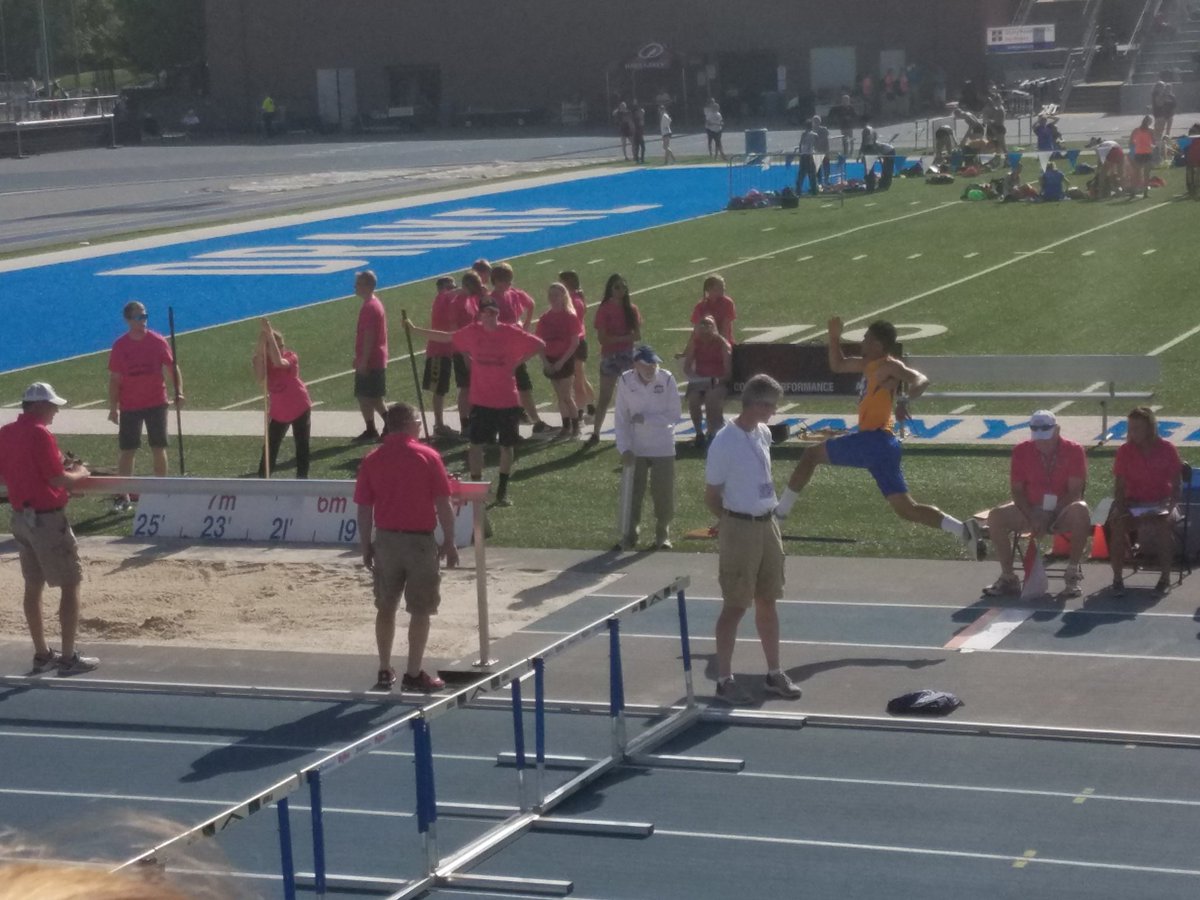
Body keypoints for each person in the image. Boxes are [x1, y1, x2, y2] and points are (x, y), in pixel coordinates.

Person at [775, 318, 982, 551]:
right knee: (907, 510)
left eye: (866, 339)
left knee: (811, 455)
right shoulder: (868, 365)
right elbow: (838, 365)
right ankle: (963, 530)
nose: (861, 342)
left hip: (873, 440)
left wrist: (906, 398)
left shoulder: (888, 366)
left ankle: (779, 516)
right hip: (884, 445)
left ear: (877, 345)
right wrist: (833, 337)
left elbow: (921, 379)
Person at [705, 374, 802, 705]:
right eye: (771, 406)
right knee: (735, 605)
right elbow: (712, 495)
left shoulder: (762, 433)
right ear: (756, 404)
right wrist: (731, 523)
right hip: (740, 527)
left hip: (767, 524)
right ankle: (724, 679)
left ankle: (774, 672)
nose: (774, 412)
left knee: (768, 599)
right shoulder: (724, 441)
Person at [354, 402, 458, 692]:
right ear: (409, 423)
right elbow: (443, 502)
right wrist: (449, 540)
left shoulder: (373, 459)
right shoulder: (428, 456)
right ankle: (413, 672)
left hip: (386, 540)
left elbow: (364, 507)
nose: (421, 427)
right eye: (418, 422)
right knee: (420, 609)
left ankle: (385, 669)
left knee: (385, 606)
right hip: (419, 541)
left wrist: (365, 544)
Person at [405, 297, 545, 506]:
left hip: (506, 399)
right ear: (479, 314)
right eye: (487, 312)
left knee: (506, 446)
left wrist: (517, 362)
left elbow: (539, 344)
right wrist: (415, 330)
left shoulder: (509, 332)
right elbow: (447, 338)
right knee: (476, 444)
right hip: (481, 400)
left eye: (494, 313)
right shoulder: (472, 332)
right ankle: (476, 488)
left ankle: (502, 491)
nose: (491, 316)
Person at [0, 383, 96, 675]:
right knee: (70, 584)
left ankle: (42, 653)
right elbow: (57, 479)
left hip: (21, 518)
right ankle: (68, 657)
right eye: (53, 406)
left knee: (33, 585)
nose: (56, 411)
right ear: (40, 406)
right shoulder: (40, 433)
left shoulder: (6, 432)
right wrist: (80, 473)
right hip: (47, 520)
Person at [983, 410, 1090, 598]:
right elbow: (1017, 490)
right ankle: (1008, 577)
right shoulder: (1021, 451)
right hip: (1031, 510)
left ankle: (1072, 572)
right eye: (1038, 438)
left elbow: (1074, 492)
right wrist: (1032, 515)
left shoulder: (1074, 450)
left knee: (1081, 510)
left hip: (1061, 510)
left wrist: (1049, 513)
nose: (1042, 443)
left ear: (1057, 430)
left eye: (1046, 438)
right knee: (996, 516)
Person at [107, 300, 184, 512]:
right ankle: (123, 495)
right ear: (128, 320)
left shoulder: (157, 341)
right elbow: (115, 379)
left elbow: (171, 367)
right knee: (127, 450)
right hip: (130, 404)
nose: (143, 321)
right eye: (139, 317)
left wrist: (178, 391)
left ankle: (161, 490)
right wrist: (113, 407)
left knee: (158, 447)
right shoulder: (120, 346)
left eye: (145, 316)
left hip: (156, 402)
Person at [1109, 407, 1182, 594]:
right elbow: (1119, 486)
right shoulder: (1124, 451)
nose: (1132, 433)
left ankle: (1164, 577)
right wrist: (1121, 507)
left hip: (1162, 502)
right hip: (1133, 503)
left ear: (1150, 428)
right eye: (1130, 428)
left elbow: (1176, 484)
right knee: (1116, 524)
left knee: (1164, 525)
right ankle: (1117, 578)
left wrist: (1170, 506)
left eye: (1137, 428)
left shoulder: (1167, 449)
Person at [613, 345, 679, 551]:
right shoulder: (625, 380)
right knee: (633, 492)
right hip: (636, 446)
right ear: (636, 365)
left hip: (662, 444)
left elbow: (674, 415)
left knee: (663, 492)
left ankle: (662, 534)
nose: (652, 368)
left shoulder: (666, 379)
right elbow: (621, 418)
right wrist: (624, 449)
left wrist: (648, 419)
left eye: (654, 363)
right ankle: (629, 535)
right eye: (647, 364)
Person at [490, 262, 551, 434]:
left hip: (514, 347)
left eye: (509, 280)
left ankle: (535, 420)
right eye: (504, 280)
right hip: (502, 350)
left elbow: (530, 304)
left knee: (524, 385)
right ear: (496, 281)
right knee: (507, 387)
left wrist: (525, 324)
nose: (508, 283)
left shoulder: (513, 293)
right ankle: (508, 423)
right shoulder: (491, 299)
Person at [253, 318, 312, 478]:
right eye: (273, 346)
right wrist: (263, 338)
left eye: (280, 346)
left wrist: (270, 333)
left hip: (299, 406)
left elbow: (279, 362)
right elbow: (260, 376)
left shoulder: (291, 357)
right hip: (279, 412)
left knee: (301, 445)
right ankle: (263, 479)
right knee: (270, 447)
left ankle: (302, 479)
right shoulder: (263, 362)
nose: (277, 349)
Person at [588, 274, 642, 445]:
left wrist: (618, 338)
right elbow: (603, 339)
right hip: (611, 356)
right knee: (605, 396)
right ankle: (596, 432)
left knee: (631, 395)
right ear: (610, 289)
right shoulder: (604, 309)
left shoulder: (631, 309)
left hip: (626, 355)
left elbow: (637, 334)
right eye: (617, 287)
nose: (621, 291)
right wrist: (624, 338)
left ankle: (633, 430)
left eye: (623, 287)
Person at [423, 276, 467, 439]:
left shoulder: (446, 300)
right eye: (451, 286)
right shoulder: (442, 298)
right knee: (439, 389)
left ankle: (439, 424)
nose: (454, 289)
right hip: (438, 350)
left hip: (446, 349)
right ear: (443, 288)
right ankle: (439, 424)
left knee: (442, 388)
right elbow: (454, 294)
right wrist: (471, 288)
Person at [535, 282, 581, 439]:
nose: (553, 298)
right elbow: (539, 343)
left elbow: (575, 342)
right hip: (550, 359)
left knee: (566, 395)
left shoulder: (570, 317)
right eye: (551, 295)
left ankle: (575, 426)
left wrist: (561, 361)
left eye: (556, 295)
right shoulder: (544, 318)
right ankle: (566, 426)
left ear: (563, 296)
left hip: (565, 359)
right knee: (559, 396)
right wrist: (546, 362)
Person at [681, 315, 732, 450]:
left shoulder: (722, 344)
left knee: (711, 397)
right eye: (701, 329)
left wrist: (716, 379)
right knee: (693, 399)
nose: (704, 334)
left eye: (708, 329)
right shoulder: (695, 343)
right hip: (700, 380)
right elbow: (687, 367)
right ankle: (699, 433)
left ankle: (712, 431)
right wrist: (694, 377)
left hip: (719, 381)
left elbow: (728, 372)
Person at [352, 269, 388, 443]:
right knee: (364, 395)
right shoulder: (371, 304)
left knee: (372, 397)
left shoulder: (370, 307)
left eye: (358, 283)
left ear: (367, 285)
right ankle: (371, 428)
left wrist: (364, 360)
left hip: (372, 359)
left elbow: (369, 335)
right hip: (369, 357)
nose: (355, 286)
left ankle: (389, 424)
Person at [559, 269, 596, 429]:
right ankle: (592, 406)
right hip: (577, 341)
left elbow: (570, 324)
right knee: (581, 377)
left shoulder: (574, 301)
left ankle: (580, 411)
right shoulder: (576, 298)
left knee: (577, 381)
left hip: (576, 342)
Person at [691, 274, 737, 344]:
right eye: (720, 287)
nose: (724, 289)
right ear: (709, 289)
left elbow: (725, 330)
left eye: (723, 286)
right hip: (705, 344)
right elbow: (696, 331)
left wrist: (721, 346)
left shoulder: (727, 303)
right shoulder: (700, 306)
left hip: (724, 343)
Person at [1131, 115, 1157, 198]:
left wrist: (1137, 145)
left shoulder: (1136, 130)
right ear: (1149, 122)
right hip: (1147, 153)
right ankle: (1145, 193)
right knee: (1146, 174)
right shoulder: (1151, 130)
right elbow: (1154, 142)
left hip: (1138, 153)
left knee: (1136, 174)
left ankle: (1133, 192)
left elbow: (1131, 141)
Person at [796, 119, 819, 196]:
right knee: (812, 174)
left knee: (801, 174)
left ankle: (798, 190)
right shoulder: (813, 134)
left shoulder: (804, 134)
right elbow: (817, 138)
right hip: (809, 155)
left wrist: (800, 153)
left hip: (803, 155)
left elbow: (800, 145)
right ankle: (814, 190)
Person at [812, 114, 832, 186]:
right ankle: (820, 182)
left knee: (826, 167)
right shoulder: (813, 131)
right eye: (814, 122)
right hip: (817, 153)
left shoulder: (823, 130)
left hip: (824, 151)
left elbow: (824, 140)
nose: (815, 123)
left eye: (816, 121)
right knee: (818, 168)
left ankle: (826, 180)